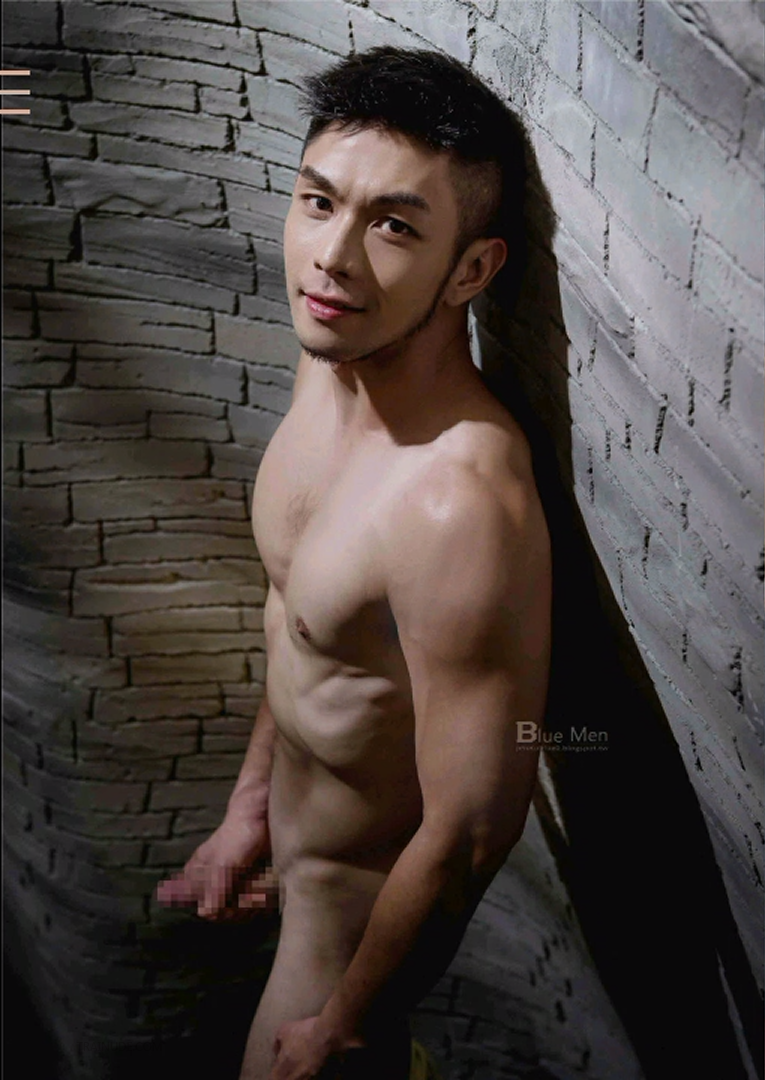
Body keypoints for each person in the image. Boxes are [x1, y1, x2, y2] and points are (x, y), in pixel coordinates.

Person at [157, 47, 552, 1080]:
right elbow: (305, 613)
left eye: (394, 226)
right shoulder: (331, 363)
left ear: (471, 271)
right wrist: (249, 810)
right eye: (318, 201)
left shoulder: (456, 503)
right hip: (290, 859)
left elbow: (469, 833)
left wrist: (350, 1023)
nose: (330, 258)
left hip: (345, 944)